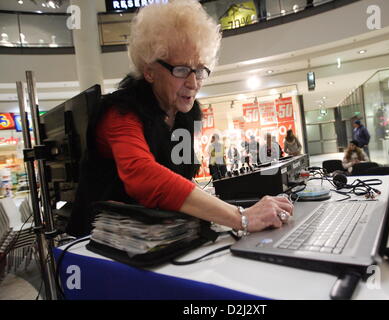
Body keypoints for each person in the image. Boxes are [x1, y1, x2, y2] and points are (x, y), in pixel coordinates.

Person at [66, 0, 292, 238]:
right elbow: (143, 177)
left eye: (200, 70)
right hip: (94, 247)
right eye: (181, 70)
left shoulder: (186, 115)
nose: (193, 83)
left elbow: (179, 180)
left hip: (157, 240)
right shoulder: (120, 112)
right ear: (149, 70)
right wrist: (242, 217)